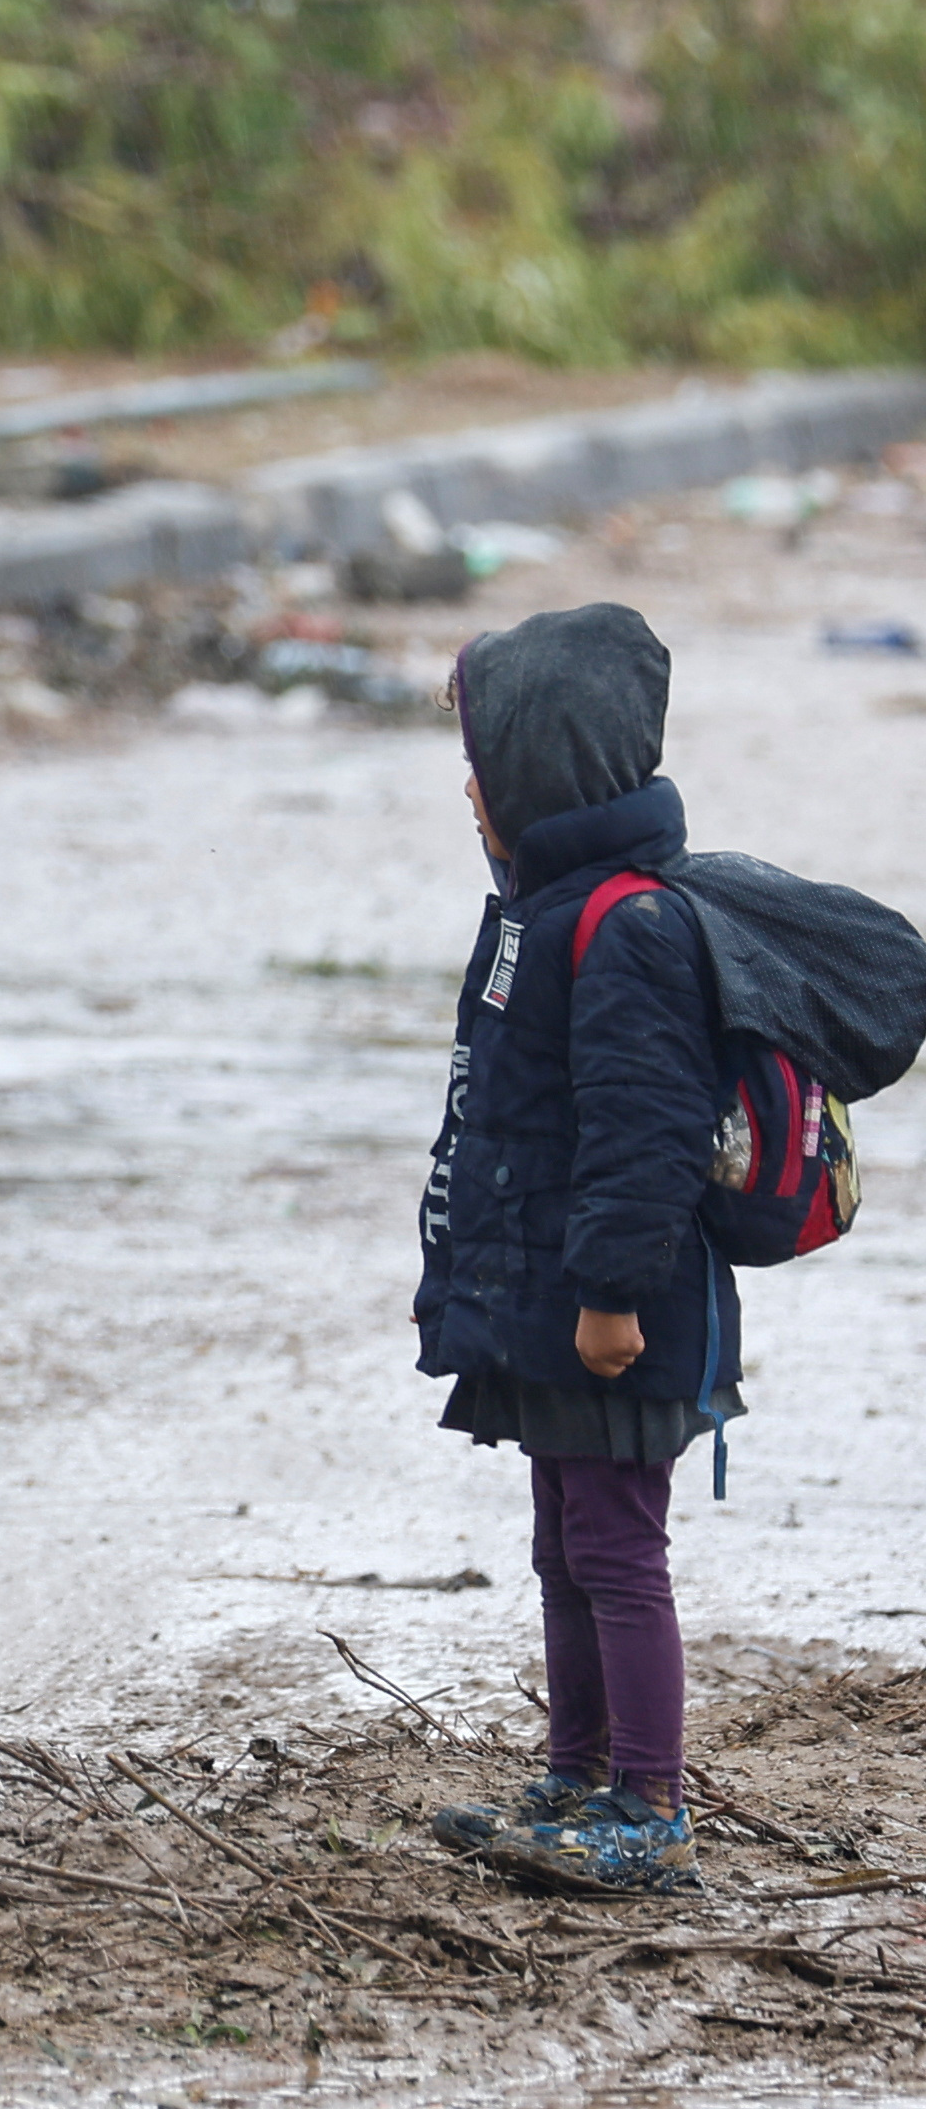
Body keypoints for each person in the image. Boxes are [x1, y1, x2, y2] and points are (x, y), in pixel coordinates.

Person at [415, 603, 731, 1896]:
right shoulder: (540, 913)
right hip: (553, 1301)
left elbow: (641, 1134)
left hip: (621, 1309)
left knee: (617, 1551)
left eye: (484, 770)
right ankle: (576, 1775)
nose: (470, 796)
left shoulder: (625, 925)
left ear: (540, 775)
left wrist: (609, 1297)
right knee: (564, 1546)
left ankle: (648, 1808)